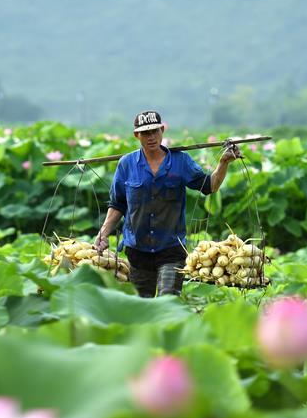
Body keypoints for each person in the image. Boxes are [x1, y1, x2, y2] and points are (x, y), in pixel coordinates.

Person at [94, 110, 241, 297]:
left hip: (171, 248)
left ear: (162, 130)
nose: (151, 137)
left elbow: (209, 185)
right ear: (136, 135)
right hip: (137, 250)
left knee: (168, 299)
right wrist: (103, 233)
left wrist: (224, 162)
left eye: (155, 131)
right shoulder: (127, 164)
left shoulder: (181, 162)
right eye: (145, 133)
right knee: (142, 306)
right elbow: (118, 204)